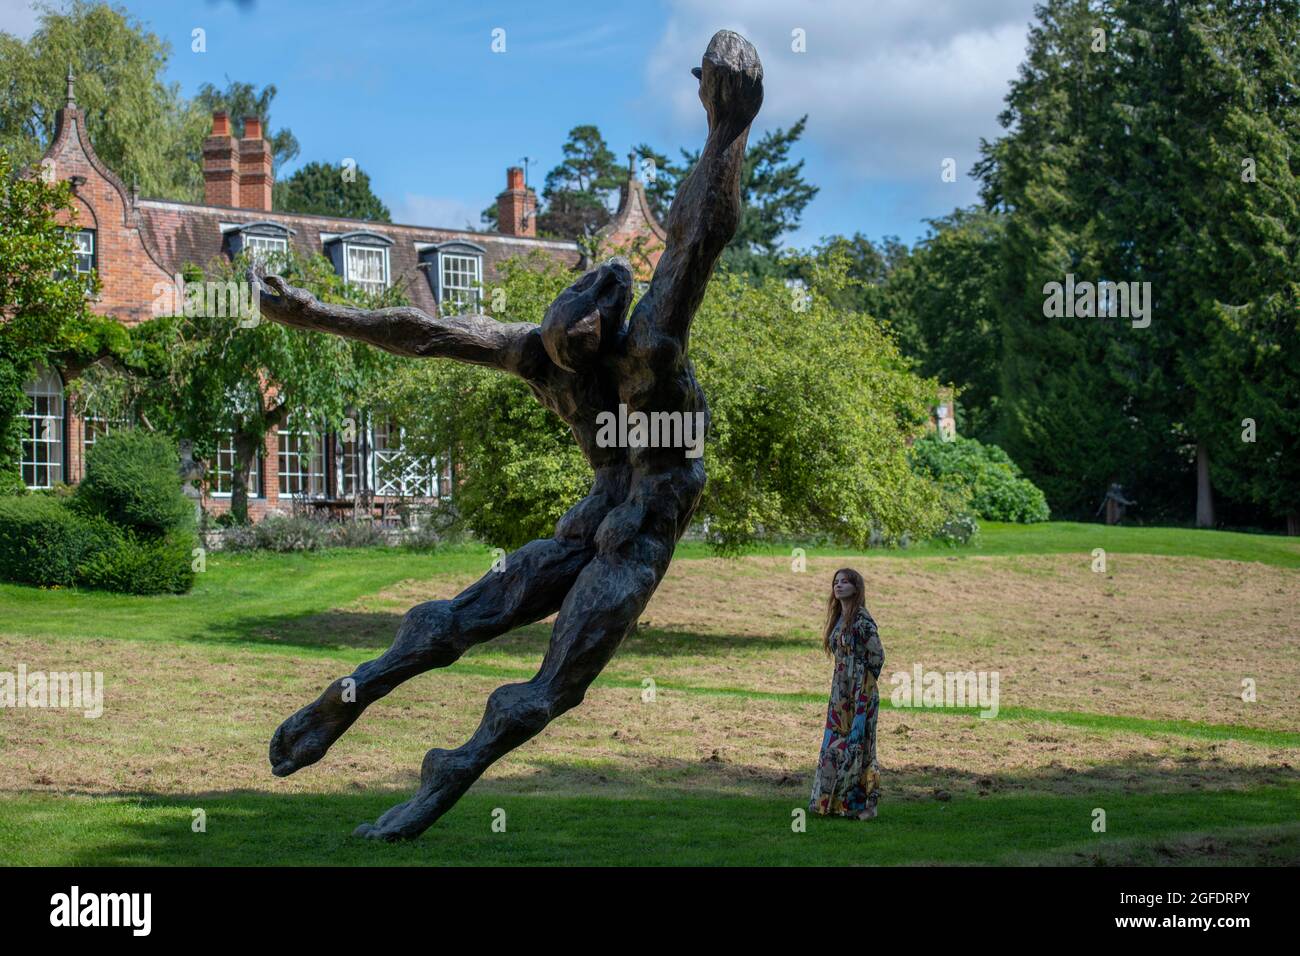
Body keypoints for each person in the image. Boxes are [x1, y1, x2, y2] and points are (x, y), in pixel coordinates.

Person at [809, 567, 884, 820]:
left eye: (845, 582)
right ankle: (832, 803)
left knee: (859, 748)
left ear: (856, 587)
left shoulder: (862, 620)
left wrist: (863, 687)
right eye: (836, 582)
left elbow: (878, 656)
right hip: (840, 695)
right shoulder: (838, 618)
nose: (839, 586)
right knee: (834, 746)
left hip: (861, 695)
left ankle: (867, 806)